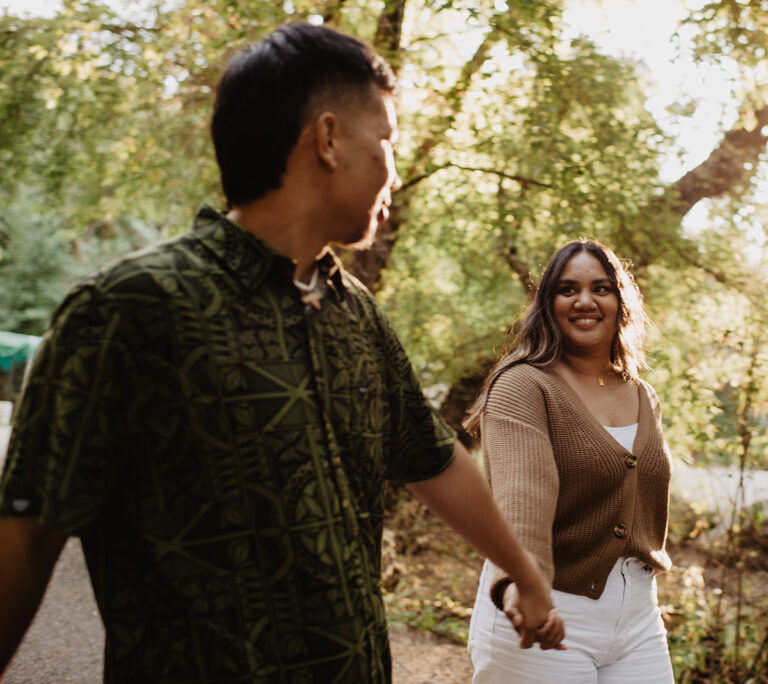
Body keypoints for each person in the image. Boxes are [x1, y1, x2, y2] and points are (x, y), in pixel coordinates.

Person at [0, 23, 563, 683]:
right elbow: (28, 534)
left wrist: (526, 576)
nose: (395, 171)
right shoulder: (127, 310)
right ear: (326, 139)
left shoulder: (356, 314)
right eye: (386, 143)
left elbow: (431, 457)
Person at [464, 239, 675, 683]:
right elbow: (522, 496)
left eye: (601, 288)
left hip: (637, 620)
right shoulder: (523, 386)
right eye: (567, 289)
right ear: (548, 304)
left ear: (621, 301)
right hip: (545, 608)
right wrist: (527, 583)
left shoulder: (642, 394)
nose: (585, 301)